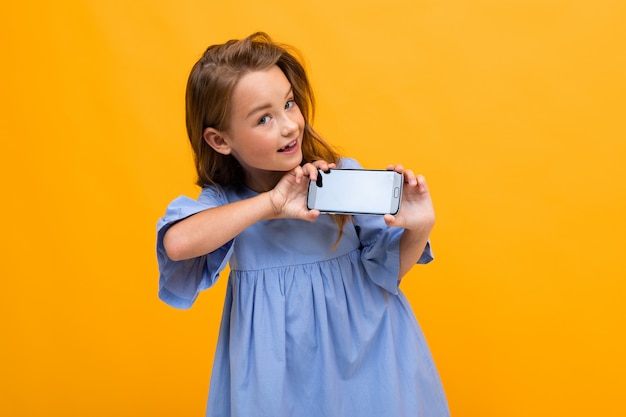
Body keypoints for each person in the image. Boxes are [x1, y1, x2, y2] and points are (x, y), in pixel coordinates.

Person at [156, 32, 449, 417]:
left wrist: (419, 227)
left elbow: (388, 272)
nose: (290, 126)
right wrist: (271, 203)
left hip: (369, 358)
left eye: (289, 104)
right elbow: (178, 244)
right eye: (264, 118)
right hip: (278, 377)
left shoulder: (338, 178)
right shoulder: (226, 202)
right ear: (220, 140)